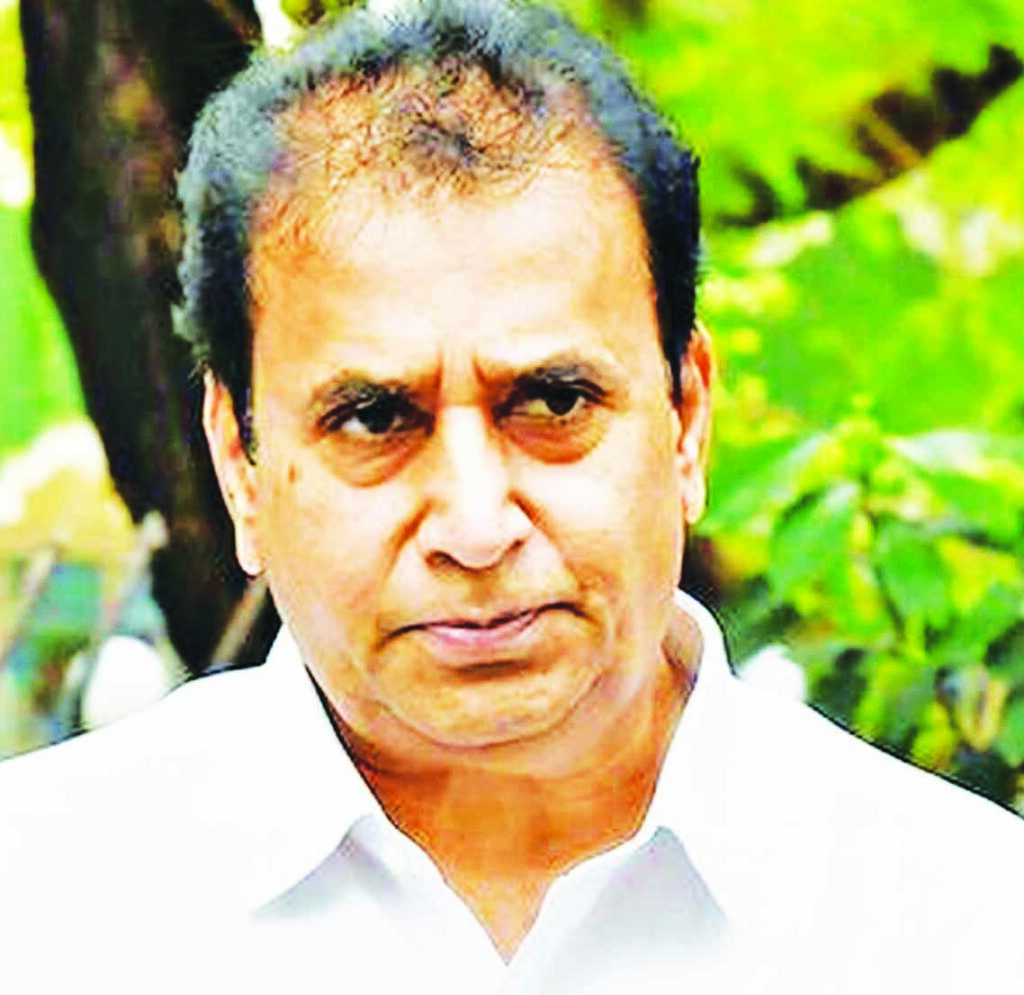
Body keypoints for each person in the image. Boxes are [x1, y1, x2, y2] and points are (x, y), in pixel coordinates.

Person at [1, 2, 1021, 992]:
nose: (477, 526)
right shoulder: (42, 909)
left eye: (554, 401)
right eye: (374, 418)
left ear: (686, 419)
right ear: (240, 461)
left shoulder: (964, 926)